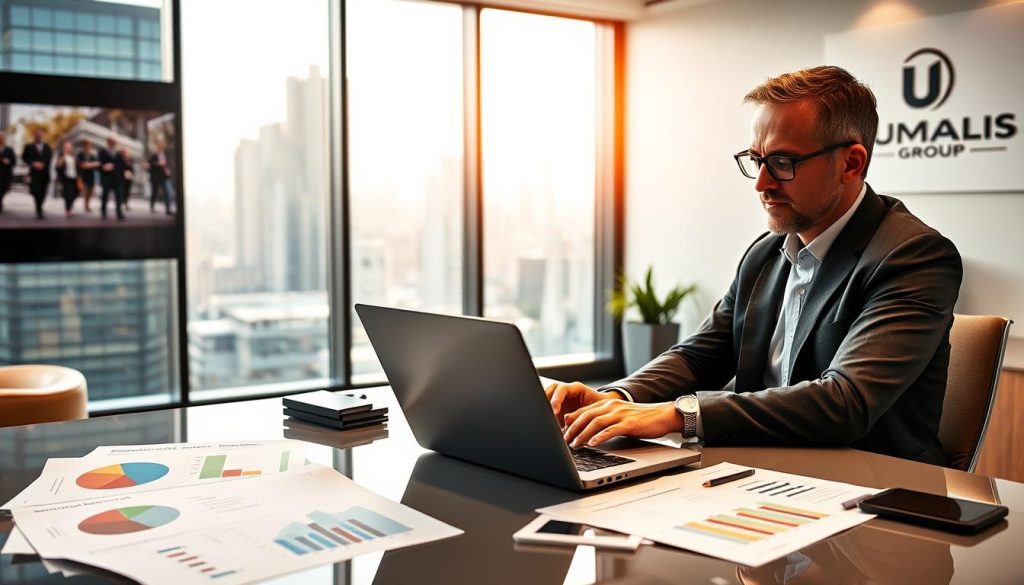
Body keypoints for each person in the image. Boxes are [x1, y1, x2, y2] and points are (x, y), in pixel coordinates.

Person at [549, 66, 963, 466]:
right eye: (755, 159)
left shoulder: (914, 256)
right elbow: (700, 356)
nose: (761, 184)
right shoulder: (765, 253)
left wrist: (680, 414)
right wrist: (620, 398)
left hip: (875, 492)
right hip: (760, 472)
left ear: (851, 163)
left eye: (782, 163)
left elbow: (845, 402)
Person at [21, 128, 53, 219]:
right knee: (35, 191)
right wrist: (33, 163)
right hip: (34, 174)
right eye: (37, 134)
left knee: (43, 192)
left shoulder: (47, 147)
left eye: (41, 134)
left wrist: (43, 164)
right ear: (34, 135)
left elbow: (49, 157)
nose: (39, 135)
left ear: (43, 135)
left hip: (45, 173)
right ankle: (39, 209)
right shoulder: (28, 146)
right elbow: (24, 158)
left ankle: (40, 206)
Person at [99, 136, 124, 220]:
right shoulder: (103, 152)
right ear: (108, 143)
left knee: (118, 195)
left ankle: (119, 213)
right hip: (106, 177)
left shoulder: (118, 153)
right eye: (111, 142)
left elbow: (122, 165)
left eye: (114, 143)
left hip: (116, 178)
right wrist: (104, 167)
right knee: (105, 194)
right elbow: (99, 164)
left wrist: (114, 166)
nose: (112, 144)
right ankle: (103, 211)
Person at [147, 141, 174, 215]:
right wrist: (158, 163)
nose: (160, 148)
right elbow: (149, 163)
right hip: (155, 177)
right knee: (154, 193)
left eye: (161, 147)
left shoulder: (165, 155)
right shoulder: (153, 155)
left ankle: (168, 209)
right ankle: (152, 207)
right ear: (157, 147)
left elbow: (166, 165)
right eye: (159, 146)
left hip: (164, 177)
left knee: (168, 192)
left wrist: (168, 170)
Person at [54, 140, 79, 217]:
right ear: (64, 148)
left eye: (69, 147)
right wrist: (64, 155)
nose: (68, 149)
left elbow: (77, 166)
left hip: (74, 177)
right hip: (66, 178)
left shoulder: (74, 155)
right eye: (66, 147)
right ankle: (68, 209)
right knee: (69, 194)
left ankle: (70, 207)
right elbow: (58, 166)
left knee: (76, 193)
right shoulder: (62, 155)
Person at [76, 138, 100, 212]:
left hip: (91, 175)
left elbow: (97, 163)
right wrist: (91, 165)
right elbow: (82, 165)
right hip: (82, 175)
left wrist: (88, 165)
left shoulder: (93, 154)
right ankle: (86, 205)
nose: (89, 146)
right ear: (84, 146)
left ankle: (87, 204)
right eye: (87, 145)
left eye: (89, 145)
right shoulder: (80, 154)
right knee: (84, 190)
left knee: (90, 190)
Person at [0, 133, 15, 213]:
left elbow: (13, 161)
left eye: (2, 138)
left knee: (3, 189)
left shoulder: (9, 150)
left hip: (6, 174)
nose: (1, 140)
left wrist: (9, 162)